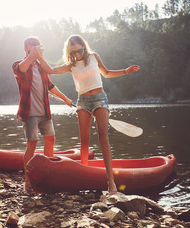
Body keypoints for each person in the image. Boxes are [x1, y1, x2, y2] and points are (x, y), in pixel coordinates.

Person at [37, 35, 140, 194]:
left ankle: (110, 181)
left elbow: (106, 73)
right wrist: (39, 57)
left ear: (84, 47)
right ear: (70, 52)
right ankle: (83, 174)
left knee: (102, 136)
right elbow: (51, 70)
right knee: (84, 141)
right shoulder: (71, 65)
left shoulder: (94, 57)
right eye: (74, 52)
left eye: (79, 50)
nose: (77, 54)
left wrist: (126, 71)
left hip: (100, 98)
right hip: (83, 101)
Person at [12, 36, 73, 192]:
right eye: (34, 46)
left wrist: (65, 98)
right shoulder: (18, 65)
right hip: (30, 113)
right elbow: (21, 70)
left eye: (39, 46)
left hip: (45, 112)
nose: (39, 48)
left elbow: (50, 86)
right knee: (32, 144)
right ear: (27, 48)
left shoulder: (41, 67)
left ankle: (47, 175)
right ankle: (28, 180)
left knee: (50, 140)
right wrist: (33, 55)